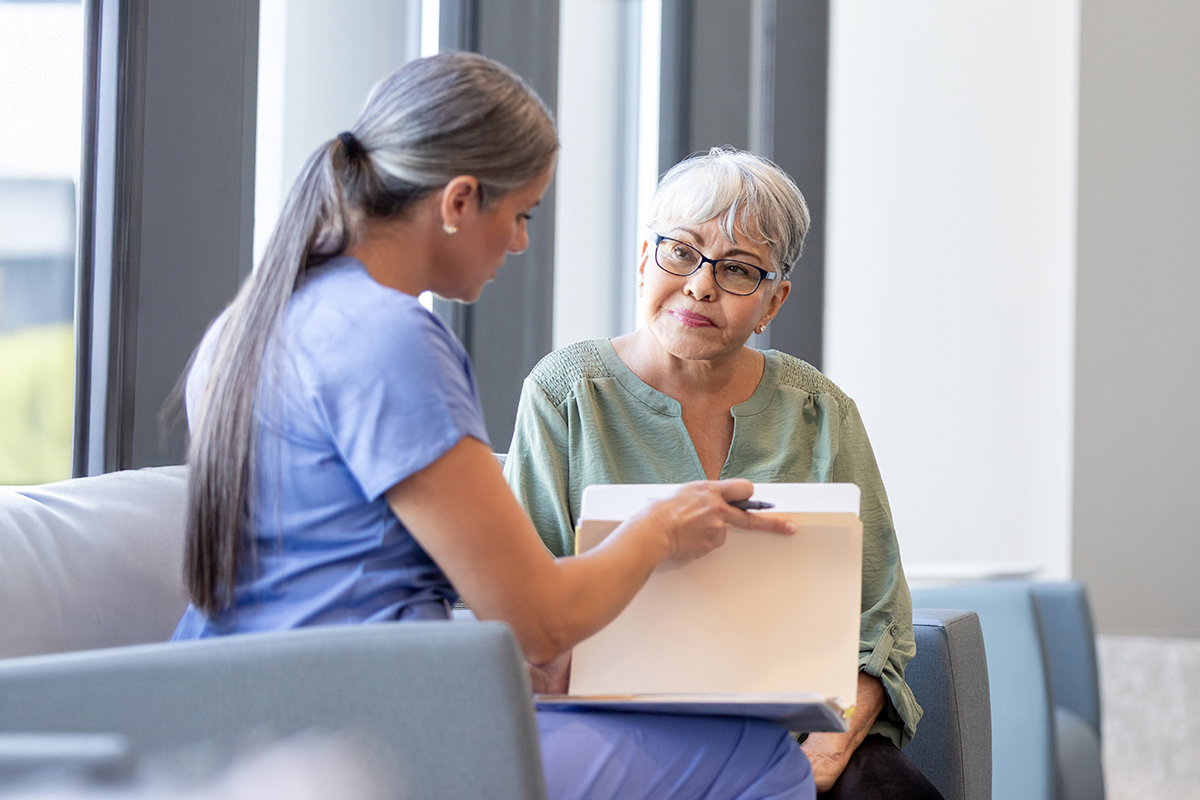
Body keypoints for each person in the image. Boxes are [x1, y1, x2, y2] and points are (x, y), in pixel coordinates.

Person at [170, 53, 815, 800]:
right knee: (766, 761)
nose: (519, 244)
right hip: (358, 729)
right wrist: (664, 527)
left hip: (228, 706)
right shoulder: (392, 340)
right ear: (459, 201)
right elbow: (538, 620)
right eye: (520, 215)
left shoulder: (252, 322)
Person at [504, 147, 944, 800]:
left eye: (738, 271)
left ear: (774, 301)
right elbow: (524, 604)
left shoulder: (822, 412)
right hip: (618, 724)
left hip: (795, 728)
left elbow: (877, 624)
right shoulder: (566, 393)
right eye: (679, 253)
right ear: (643, 259)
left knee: (882, 789)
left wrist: (829, 749)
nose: (701, 286)